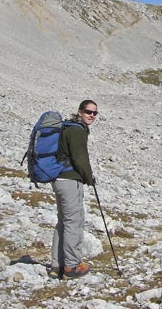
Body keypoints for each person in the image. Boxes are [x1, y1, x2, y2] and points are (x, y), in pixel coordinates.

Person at [49, 99, 98, 279]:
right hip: (69, 180)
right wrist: (89, 178)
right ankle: (72, 266)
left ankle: (57, 265)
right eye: (88, 112)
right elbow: (80, 159)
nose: (91, 115)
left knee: (63, 221)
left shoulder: (68, 127)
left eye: (94, 113)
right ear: (79, 112)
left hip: (59, 179)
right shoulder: (77, 130)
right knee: (73, 222)